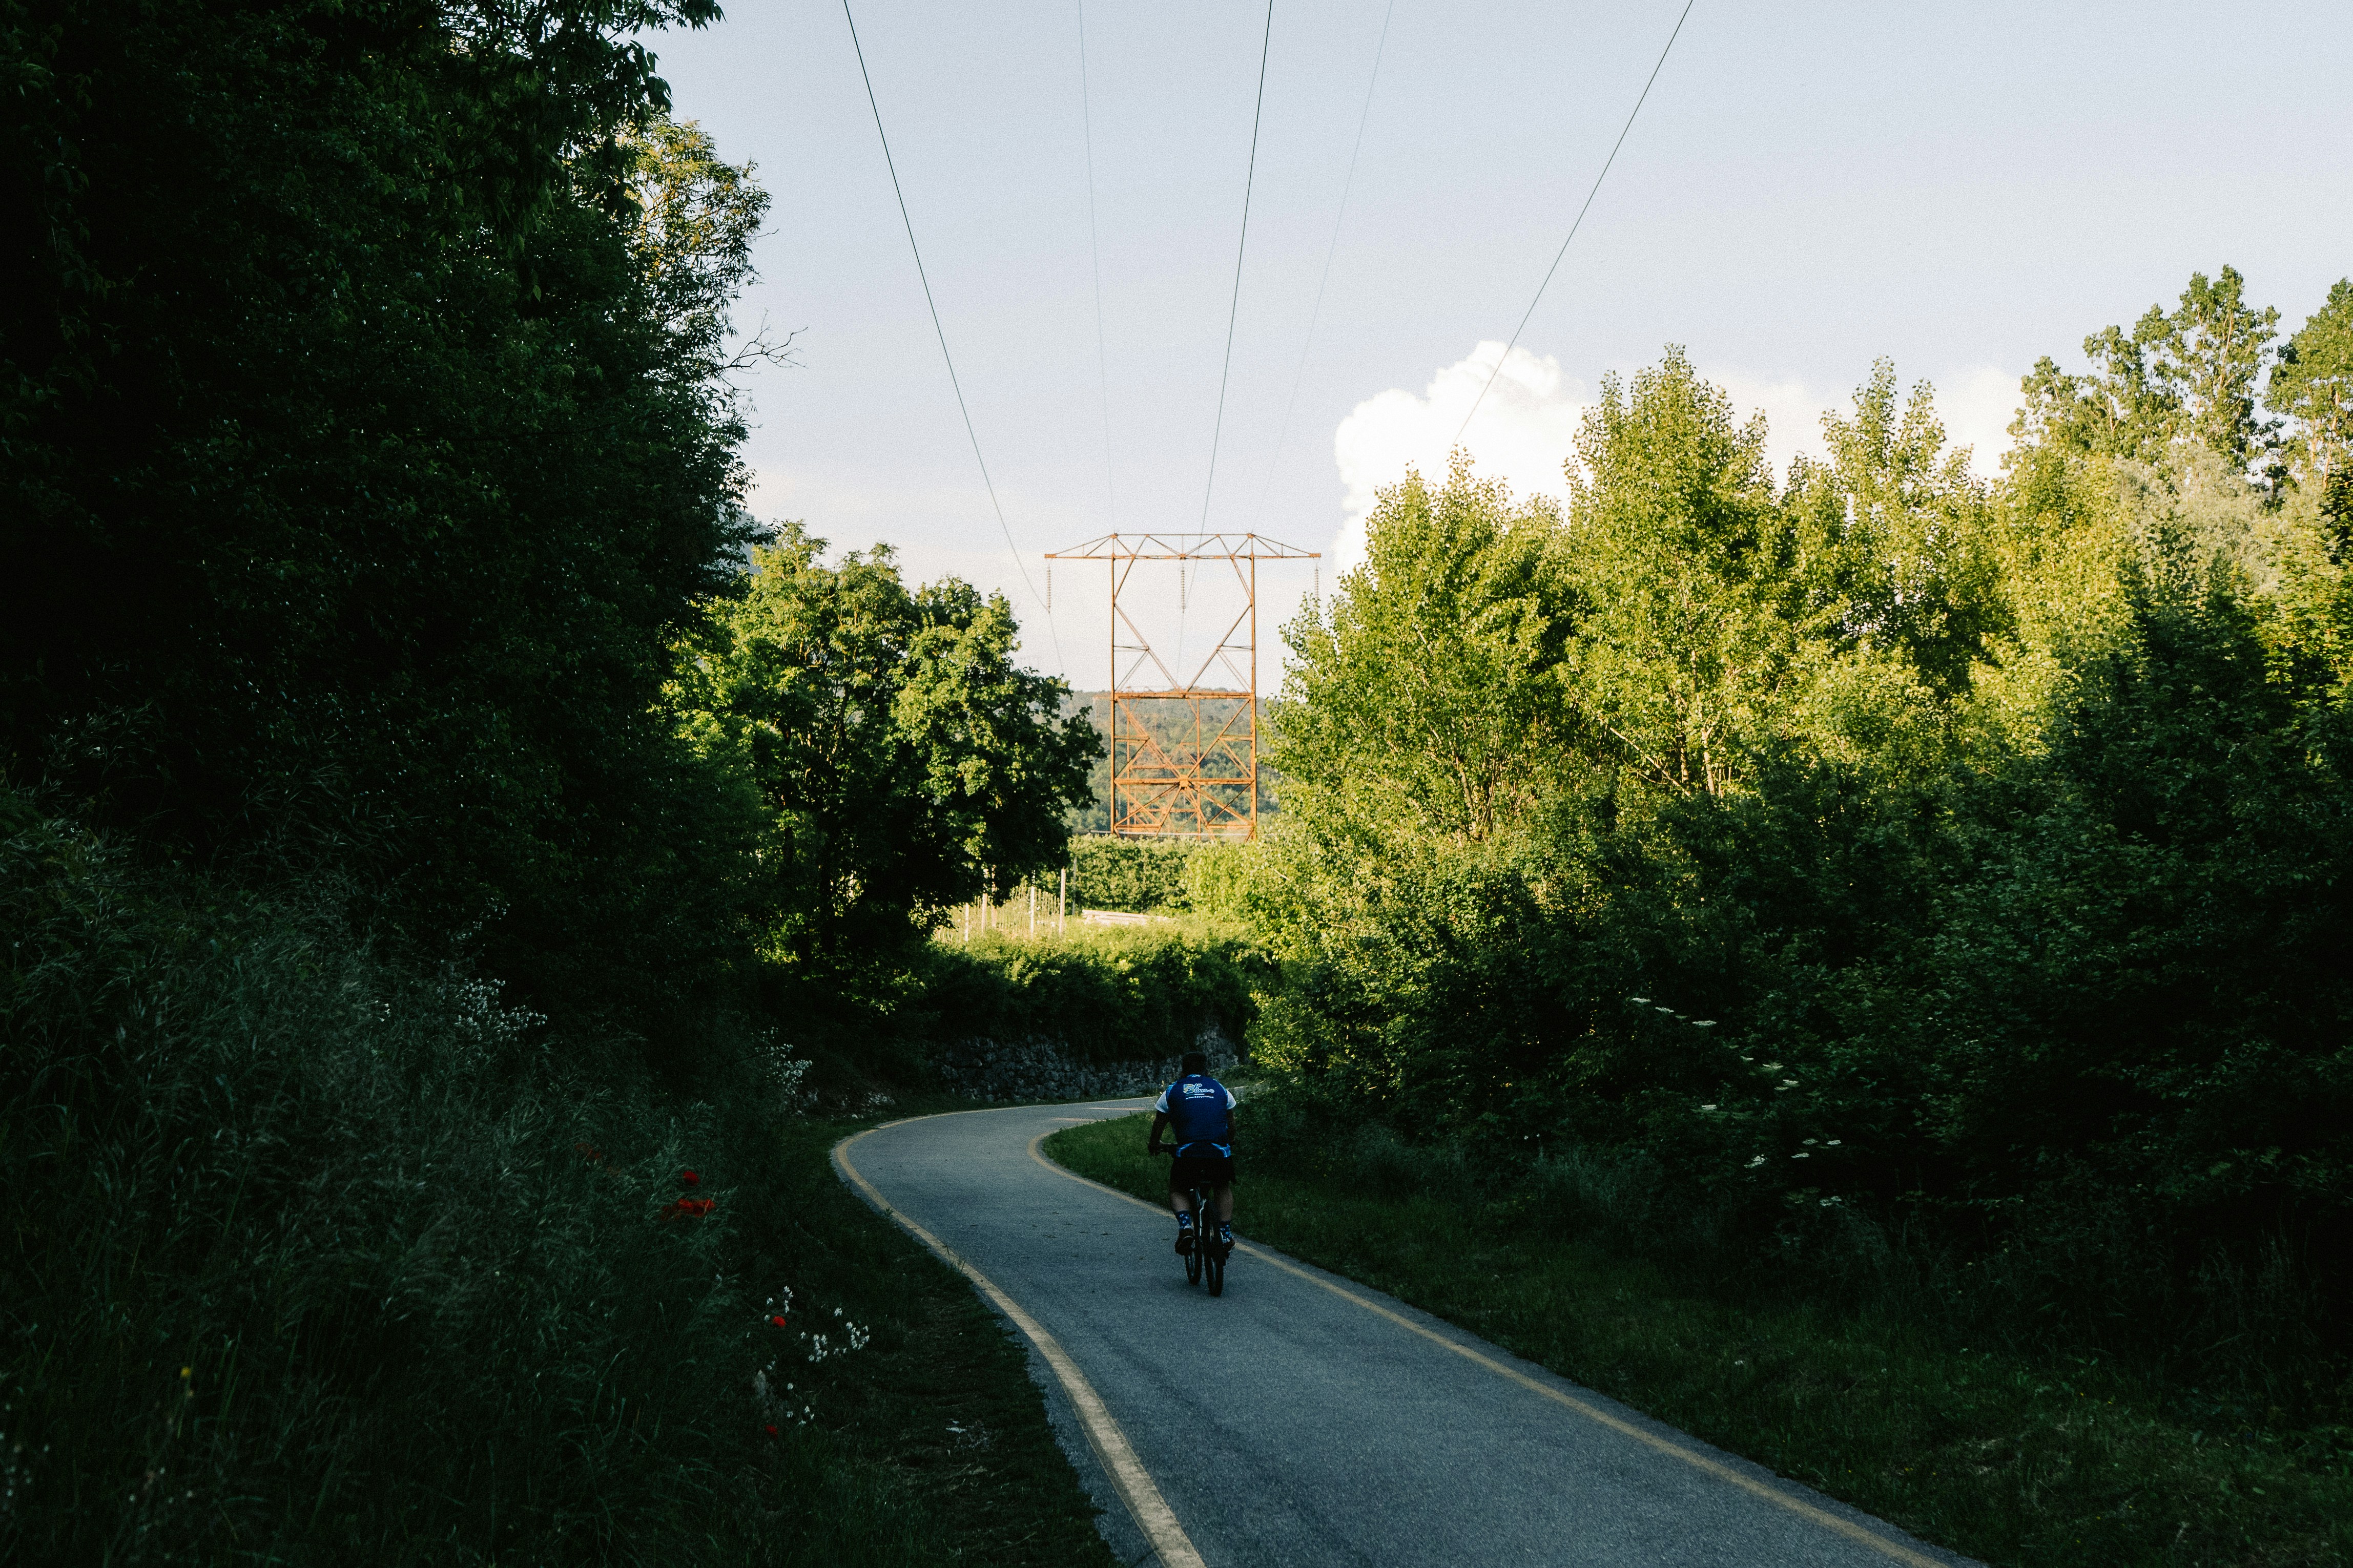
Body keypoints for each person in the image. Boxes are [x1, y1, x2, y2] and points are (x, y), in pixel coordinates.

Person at [1146, 1051, 1235, 1256]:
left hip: (1188, 1154)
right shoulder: (1220, 1089)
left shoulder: (1172, 1091)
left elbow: (1159, 1125)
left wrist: (1154, 1145)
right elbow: (1231, 1124)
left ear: (1182, 1071)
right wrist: (1230, 1142)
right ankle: (1224, 1234)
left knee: (1178, 1189)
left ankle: (1186, 1227)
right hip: (1218, 1153)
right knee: (1222, 1187)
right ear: (1207, 1070)